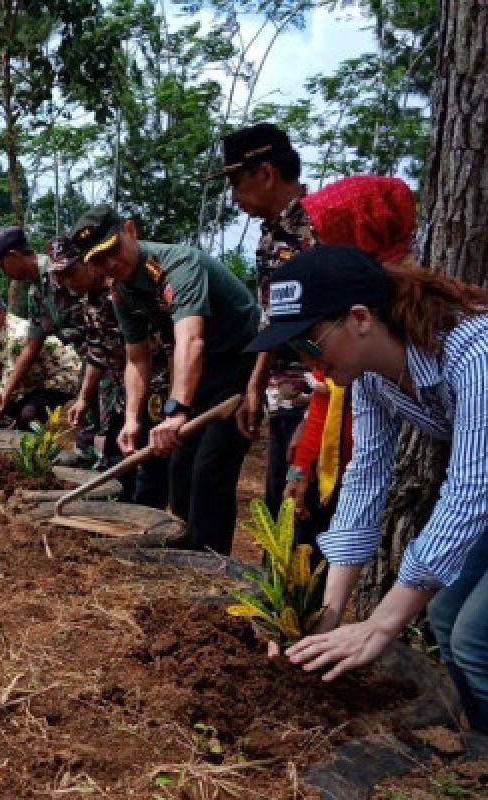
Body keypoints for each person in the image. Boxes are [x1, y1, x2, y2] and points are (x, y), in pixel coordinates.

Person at [245, 244, 488, 748]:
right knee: (447, 617)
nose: (305, 363)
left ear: (360, 318)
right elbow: (364, 483)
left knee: (484, 641)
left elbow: (471, 491)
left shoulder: (482, 349)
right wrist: (332, 610)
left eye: (309, 345)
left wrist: (383, 625)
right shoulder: (372, 380)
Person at [68, 204, 261, 554]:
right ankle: (192, 553)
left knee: (209, 471)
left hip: (241, 363)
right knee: (180, 471)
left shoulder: (178, 266)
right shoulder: (123, 291)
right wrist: (131, 418)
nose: (110, 263)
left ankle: (212, 565)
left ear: (131, 230)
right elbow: (137, 358)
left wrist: (176, 410)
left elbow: (192, 340)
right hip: (199, 372)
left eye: (113, 250)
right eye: (98, 259)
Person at [283, 174, 418, 550]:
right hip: (345, 469)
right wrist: (303, 464)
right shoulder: (339, 316)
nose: (319, 245)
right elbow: (326, 392)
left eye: (328, 234)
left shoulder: (401, 314)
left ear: (361, 227)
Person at [222, 122, 321, 520]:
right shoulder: (269, 239)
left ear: (265, 174)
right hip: (283, 395)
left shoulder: (320, 227)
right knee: (281, 505)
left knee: (305, 511)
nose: (234, 198)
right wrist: (255, 384)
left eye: (237, 183)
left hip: (319, 394)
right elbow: (272, 318)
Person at [55, 238, 170, 508]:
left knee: (151, 465)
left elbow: (157, 346)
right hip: (124, 390)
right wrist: (83, 398)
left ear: (89, 262)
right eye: (60, 276)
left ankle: (147, 529)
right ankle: (117, 516)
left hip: (155, 387)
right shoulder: (89, 300)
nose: (67, 282)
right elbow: (98, 350)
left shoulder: (122, 290)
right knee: (115, 459)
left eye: (71, 272)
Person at [0, 226, 89, 418]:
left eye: (2, 265)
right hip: (91, 360)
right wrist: (7, 391)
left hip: (105, 353)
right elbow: (31, 347)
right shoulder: (36, 293)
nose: (3, 272)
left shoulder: (62, 269)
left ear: (13, 255)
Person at [0, 288, 82, 430]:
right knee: (3, 410)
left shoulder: (17, 334)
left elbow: (11, 378)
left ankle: (64, 414)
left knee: (27, 418)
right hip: (36, 383)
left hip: (62, 380)